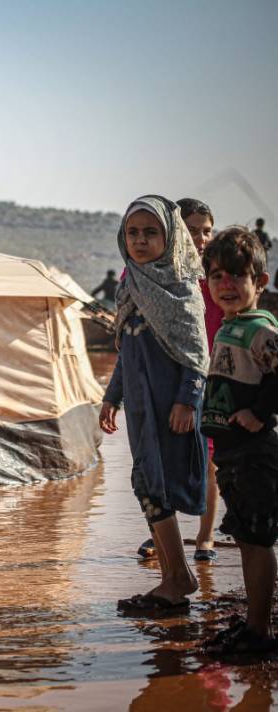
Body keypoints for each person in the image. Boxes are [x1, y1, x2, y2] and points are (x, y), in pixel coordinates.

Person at [99, 195, 209, 613]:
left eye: (151, 232)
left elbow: (197, 357)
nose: (140, 241)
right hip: (142, 410)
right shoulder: (130, 286)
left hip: (173, 408)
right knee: (147, 483)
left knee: (161, 484)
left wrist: (187, 402)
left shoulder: (181, 288)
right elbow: (126, 350)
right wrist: (112, 397)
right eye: (133, 233)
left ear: (170, 237)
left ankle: (177, 578)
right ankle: (174, 576)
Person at [199, 227, 278, 656]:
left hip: (255, 453)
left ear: (259, 283)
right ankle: (253, 624)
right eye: (217, 276)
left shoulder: (257, 328)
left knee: (259, 540)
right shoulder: (233, 326)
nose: (225, 285)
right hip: (233, 455)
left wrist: (260, 413)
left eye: (237, 276)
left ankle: (261, 631)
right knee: (247, 538)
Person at [136, 198, 222, 563]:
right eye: (192, 230)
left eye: (206, 230)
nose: (200, 238)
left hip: (214, 375)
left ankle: (205, 537)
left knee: (209, 460)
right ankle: (162, 536)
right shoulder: (158, 274)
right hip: (167, 379)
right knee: (159, 458)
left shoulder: (217, 274)